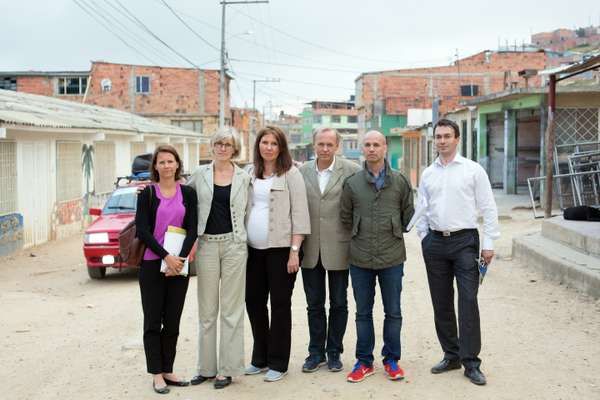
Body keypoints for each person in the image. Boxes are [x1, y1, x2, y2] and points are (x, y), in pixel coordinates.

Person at [416, 119, 499, 386]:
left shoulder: (473, 171)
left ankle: (471, 362)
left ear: (457, 139)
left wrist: (488, 244)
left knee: (467, 300)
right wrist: (424, 237)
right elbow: (422, 209)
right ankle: (451, 355)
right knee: (441, 302)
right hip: (436, 243)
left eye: (447, 136)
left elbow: (488, 209)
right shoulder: (428, 173)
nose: (442, 141)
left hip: (465, 241)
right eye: (438, 136)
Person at [340, 130, 414, 383]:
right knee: (363, 312)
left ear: (385, 148)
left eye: (376, 144)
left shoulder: (401, 182)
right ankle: (364, 361)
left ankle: (392, 360)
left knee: (393, 311)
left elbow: (408, 215)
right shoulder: (352, 183)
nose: (372, 149)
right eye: (367, 145)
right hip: (360, 258)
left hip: (392, 257)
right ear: (363, 149)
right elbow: (346, 217)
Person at [244, 125, 310, 382]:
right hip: (253, 251)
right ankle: (259, 358)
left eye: (273, 143)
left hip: (282, 251)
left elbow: (300, 215)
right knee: (254, 302)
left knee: (280, 305)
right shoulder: (250, 173)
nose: (268, 147)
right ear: (258, 145)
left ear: (281, 147)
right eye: (264, 142)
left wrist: (295, 251)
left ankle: (278, 362)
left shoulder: (291, 174)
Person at [186, 128, 250, 389]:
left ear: (234, 149)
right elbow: (184, 205)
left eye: (228, 144)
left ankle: (227, 369)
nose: (223, 148)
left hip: (235, 245)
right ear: (211, 147)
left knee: (232, 310)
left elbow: (251, 210)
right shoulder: (198, 175)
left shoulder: (245, 177)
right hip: (206, 246)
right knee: (207, 311)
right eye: (218, 143)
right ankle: (206, 368)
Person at [135, 145, 198, 394]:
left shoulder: (188, 193)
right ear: (156, 167)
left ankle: (168, 369)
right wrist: (166, 256)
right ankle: (156, 374)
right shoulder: (148, 194)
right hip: (153, 264)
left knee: (172, 321)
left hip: (179, 266)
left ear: (177, 164)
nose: (167, 166)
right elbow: (142, 230)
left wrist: (179, 259)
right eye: (161, 162)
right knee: (153, 320)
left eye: (170, 161)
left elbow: (192, 227)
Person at [298, 127, 360, 373]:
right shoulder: (301, 173)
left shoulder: (352, 171)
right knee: (314, 304)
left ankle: (334, 352)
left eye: (329, 144)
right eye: (320, 144)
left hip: (340, 248)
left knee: (339, 303)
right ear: (313, 145)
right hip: (310, 249)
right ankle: (315, 352)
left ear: (337, 146)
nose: (324, 149)